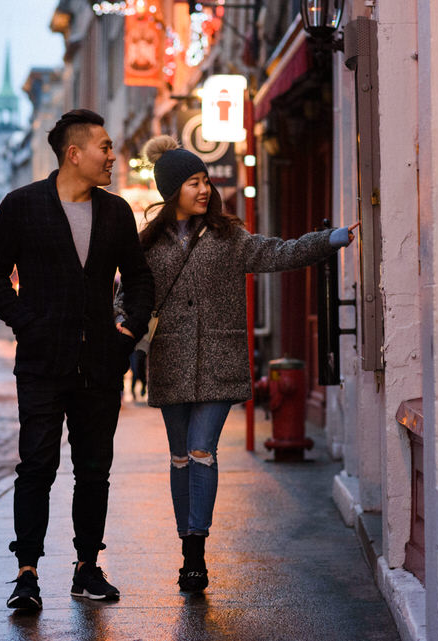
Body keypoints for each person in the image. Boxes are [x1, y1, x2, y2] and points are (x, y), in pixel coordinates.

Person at [136, 135, 355, 593]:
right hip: (172, 359)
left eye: (205, 181)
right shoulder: (148, 245)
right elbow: (130, 298)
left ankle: (197, 550)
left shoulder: (228, 235)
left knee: (201, 450)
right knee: (179, 458)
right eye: (193, 182)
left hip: (219, 359)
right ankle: (186, 548)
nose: (204, 190)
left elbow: (278, 252)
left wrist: (328, 241)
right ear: (171, 189)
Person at [0, 109, 155, 611]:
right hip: (40, 361)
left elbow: (139, 278)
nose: (113, 156)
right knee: (36, 465)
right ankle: (27, 573)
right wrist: (25, 321)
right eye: (105, 147)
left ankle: (86, 568)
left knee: (94, 469)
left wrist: (128, 329)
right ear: (74, 153)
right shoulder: (22, 206)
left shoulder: (117, 211)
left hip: (100, 362)